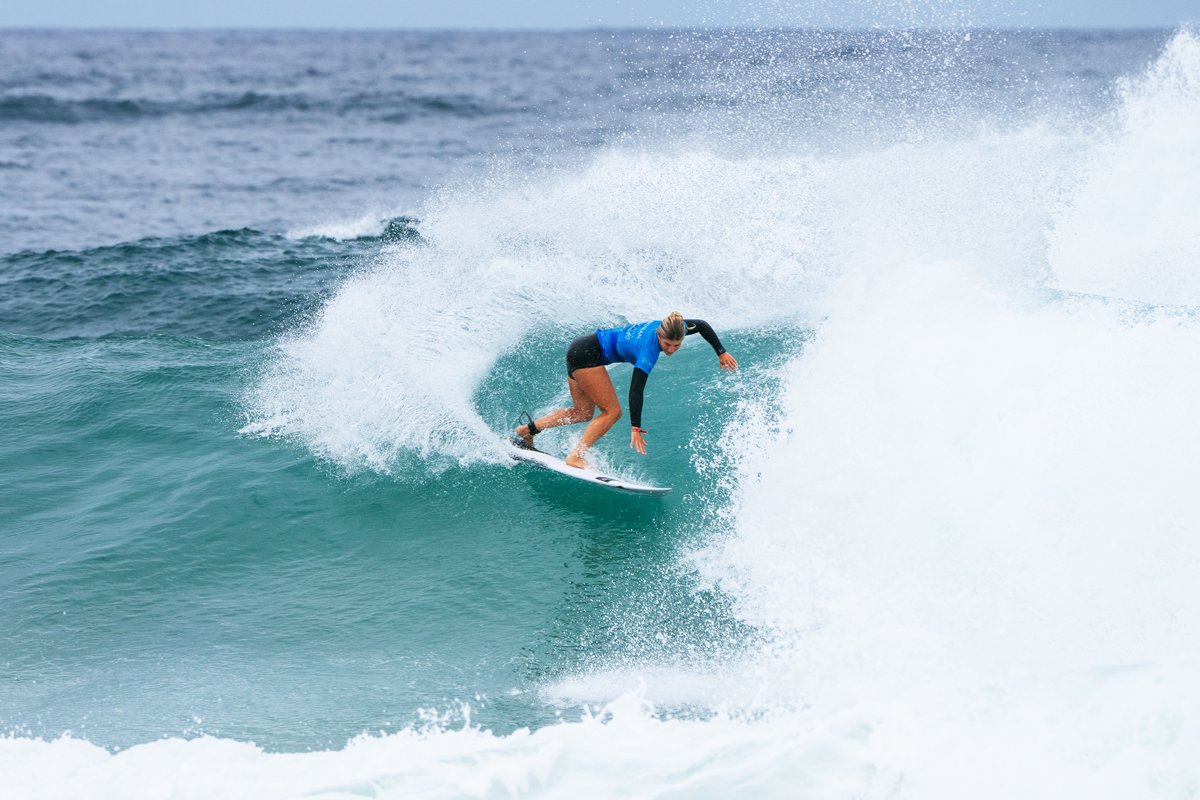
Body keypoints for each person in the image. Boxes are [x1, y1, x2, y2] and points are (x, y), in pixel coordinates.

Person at [514, 311, 738, 468]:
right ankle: (575, 456)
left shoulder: (676, 327)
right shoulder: (648, 351)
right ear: (659, 334)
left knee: (581, 412)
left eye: (676, 345)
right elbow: (636, 391)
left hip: (579, 347)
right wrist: (635, 427)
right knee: (612, 412)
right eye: (667, 344)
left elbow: (702, 325)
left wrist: (721, 352)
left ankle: (527, 430)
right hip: (587, 355)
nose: (670, 349)